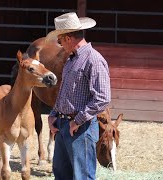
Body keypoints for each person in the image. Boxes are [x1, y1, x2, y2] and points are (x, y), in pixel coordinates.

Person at [46, 12, 111, 180]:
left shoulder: (94, 60)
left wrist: (77, 120)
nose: (59, 44)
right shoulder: (71, 60)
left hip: (81, 128)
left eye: (59, 40)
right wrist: (53, 115)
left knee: (82, 176)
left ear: (68, 38)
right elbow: (64, 92)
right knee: (61, 174)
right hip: (63, 125)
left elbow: (102, 98)